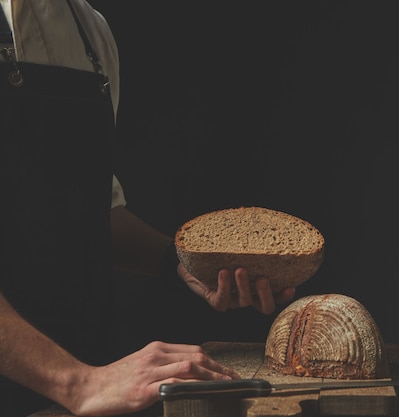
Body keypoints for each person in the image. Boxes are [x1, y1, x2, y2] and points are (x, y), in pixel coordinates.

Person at [0, 1, 296, 416]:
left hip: (81, 384)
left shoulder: (91, 34)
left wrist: (182, 263)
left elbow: (89, 210)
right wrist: (75, 381)